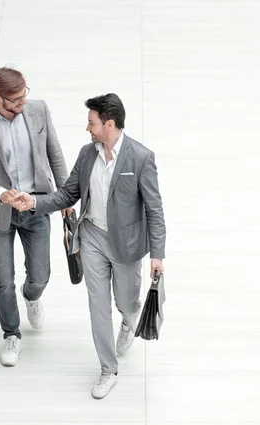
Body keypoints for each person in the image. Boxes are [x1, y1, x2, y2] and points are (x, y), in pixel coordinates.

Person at [13, 93, 166, 398]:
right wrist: (34, 202)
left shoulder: (140, 157)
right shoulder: (87, 154)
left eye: (92, 122)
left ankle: (127, 321)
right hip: (93, 237)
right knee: (98, 306)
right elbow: (67, 195)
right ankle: (108, 370)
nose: (88, 128)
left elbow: (154, 208)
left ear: (109, 124)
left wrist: (158, 254)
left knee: (126, 301)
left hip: (127, 245)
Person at [0, 67, 70, 367]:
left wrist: (64, 197)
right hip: (0, 212)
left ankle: (32, 296)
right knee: (3, 279)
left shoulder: (39, 110)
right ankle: (11, 334)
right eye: (16, 99)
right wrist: (1, 193)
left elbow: (55, 153)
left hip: (37, 204)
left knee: (41, 274)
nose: (22, 102)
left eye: (25, 95)